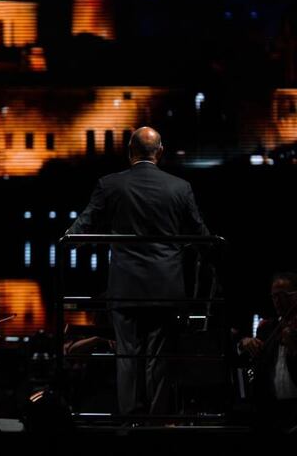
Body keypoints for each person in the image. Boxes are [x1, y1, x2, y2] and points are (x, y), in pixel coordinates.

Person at [66, 126, 209, 421]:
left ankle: (129, 419)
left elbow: (85, 222)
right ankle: (155, 422)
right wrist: (213, 251)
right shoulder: (180, 187)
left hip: (126, 286)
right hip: (166, 287)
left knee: (128, 356)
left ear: (130, 152)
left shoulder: (110, 184)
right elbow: (199, 233)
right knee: (158, 357)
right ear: (160, 152)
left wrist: (69, 238)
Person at [238, 271, 297, 433]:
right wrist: (244, 343)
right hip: (272, 410)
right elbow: (249, 355)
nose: (278, 301)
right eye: (274, 296)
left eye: (283, 295)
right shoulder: (266, 328)